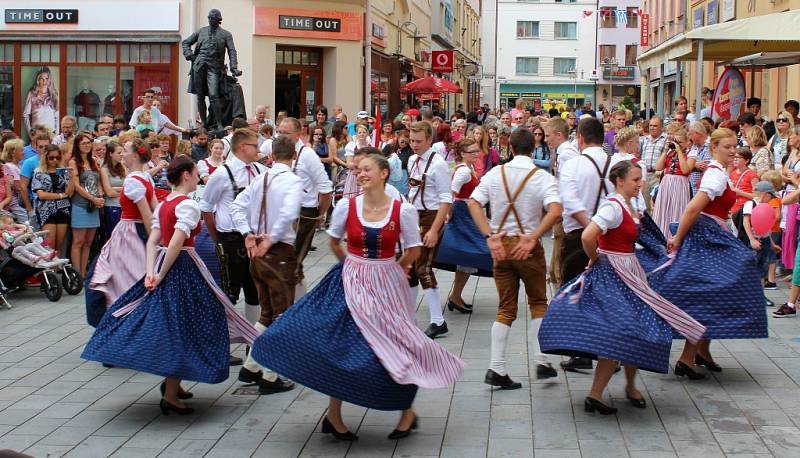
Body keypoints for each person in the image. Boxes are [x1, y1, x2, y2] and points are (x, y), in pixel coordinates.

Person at [249, 153, 464, 440]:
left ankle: (406, 412)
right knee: (339, 346)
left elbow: (413, 250)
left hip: (386, 284)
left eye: (367, 169)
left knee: (397, 347)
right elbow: (334, 242)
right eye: (358, 169)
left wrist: (391, 272)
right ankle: (334, 416)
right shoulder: (348, 206)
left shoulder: (402, 210)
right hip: (348, 283)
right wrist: (351, 266)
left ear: (384, 173)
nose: (360, 174)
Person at [81, 157, 258, 415]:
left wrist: (151, 271)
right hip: (182, 267)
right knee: (184, 328)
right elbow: (176, 243)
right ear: (186, 175)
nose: (199, 176)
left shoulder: (166, 203)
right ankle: (172, 395)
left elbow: (154, 240)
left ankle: (174, 384)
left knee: (177, 326)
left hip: (166, 264)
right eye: (196, 172)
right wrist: (160, 274)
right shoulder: (187, 206)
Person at [540, 161, 706, 413]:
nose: (640, 183)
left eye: (640, 179)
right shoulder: (613, 206)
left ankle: (627, 386)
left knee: (634, 327)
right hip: (616, 273)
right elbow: (588, 235)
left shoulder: (628, 205)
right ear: (620, 181)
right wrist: (596, 257)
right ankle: (599, 393)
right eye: (635, 179)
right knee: (625, 328)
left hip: (628, 270)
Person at [652, 128, 767, 379]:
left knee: (714, 291)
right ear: (714, 147)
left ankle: (701, 352)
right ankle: (688, 356)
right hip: (706, 236)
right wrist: (678, 238)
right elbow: (693, 208)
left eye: (735, 146)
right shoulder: (714, 174)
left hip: (712, 233)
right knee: (711, 291)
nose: (733, 151)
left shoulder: (718, 172)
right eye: (727, 147)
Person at [468, 128, 563, 386]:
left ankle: (496, 367)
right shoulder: (541, 177)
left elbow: (473, 203)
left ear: (509, 146)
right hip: (526, 245)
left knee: (506, 307)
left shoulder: (495, 173)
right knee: (538, 302)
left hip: (500, 245)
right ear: (534, 148)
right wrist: (534, 236)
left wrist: (489, 235)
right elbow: (555, 210)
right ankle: (541, 360)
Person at [230, 136, 301, 394]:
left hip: (257, 252)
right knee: (282, 316)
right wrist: (270, 240)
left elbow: (235, 206)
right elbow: (289, 214)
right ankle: (271, 375)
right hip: (277, 252)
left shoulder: (261, 178)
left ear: (271, 156)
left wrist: (247, 233)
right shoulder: (292, 181)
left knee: (268, 313)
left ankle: (251, 366)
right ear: (293, 156)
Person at [200, 128, 266, 365]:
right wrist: (217, 237)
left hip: (254, 238)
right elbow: (206, 207)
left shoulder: (259, 170)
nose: (259, 149)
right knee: (229, 293)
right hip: (230, 239)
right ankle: (221, 346)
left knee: (255, 292)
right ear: (241, 147)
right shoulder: (222, 174)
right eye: (254, 145)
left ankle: (252, 344)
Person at [557, 117, 618, 371]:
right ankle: (609, 355)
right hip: (608, 237)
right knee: (606, 296)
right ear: (602, 138)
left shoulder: (572, 165)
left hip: (577, 238)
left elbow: (569, 201)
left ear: (580, 138)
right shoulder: (616, 163)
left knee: (575, 293)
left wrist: (589, 225)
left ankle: (580, 352)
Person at [87, 138, 158, 310]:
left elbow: (148, 215)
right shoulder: (146, 177)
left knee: (121, 275)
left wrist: (154, 241)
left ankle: (125, 311)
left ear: (134, 156)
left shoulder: (133, 179)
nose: (122, 154)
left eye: (125, 151)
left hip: (130, 231)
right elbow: (155, 209)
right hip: (132, 229)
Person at [434, 138, 492, 314]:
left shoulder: (467, 168)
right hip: (464, 213)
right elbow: (451, 191)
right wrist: (448, 211)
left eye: (477, 151)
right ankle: (455, 296)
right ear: (462, 153)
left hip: (467, 212)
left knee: (467, 257)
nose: (476, 154)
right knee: (471, 254)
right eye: (472, 151)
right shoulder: (464, 171)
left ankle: (456, 296)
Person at [407, 122, 452, 338]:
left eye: (418, 141)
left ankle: (437, 320)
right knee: (410, 266)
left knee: (423, 267)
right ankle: (408, 317)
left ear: (429, 140)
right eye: (411, 140)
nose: (414, 145)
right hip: (414, 215)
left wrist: (434, 230)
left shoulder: (438, 164)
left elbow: (445, 200)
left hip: (432, 216)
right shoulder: (411, 160)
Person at [279, 118, 333, 287]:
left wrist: (318, 215)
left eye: (284, 133)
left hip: (304, 214)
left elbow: (325, 188)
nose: (279, 136)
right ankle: (297, 307)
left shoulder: (307, 155)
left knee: (292, 264)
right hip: (282, 212)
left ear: (298, 134)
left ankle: (293, 307)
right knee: (286, 264)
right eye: (278, 131)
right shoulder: (278, 152)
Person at [30, 145, 73, 253]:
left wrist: (72, 178)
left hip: (63, 209)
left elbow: (69, 193)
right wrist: (60, 195)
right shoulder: (39, 172)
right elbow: (41, 195)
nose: (55, 160)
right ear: (46, 158)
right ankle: (50, 268)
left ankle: (55, 268)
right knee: (49, 244)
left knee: (59, 244)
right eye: (51, 158)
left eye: (57, 157)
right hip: (46, 210)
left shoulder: (63, 171)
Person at [99, 141, 126, 238]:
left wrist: (116, 189)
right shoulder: (104, 170)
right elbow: (109, 193)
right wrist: (123, 190)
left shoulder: (122, 167)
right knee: (114, 237)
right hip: (112, 206)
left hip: (124, 206)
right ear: (110, 154)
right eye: (119, 153)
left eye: (122, 152)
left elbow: (129, 186)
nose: (122, 155)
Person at [23, 66, 59, 137]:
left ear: (49, 80)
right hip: (36, 133)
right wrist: (30, 134)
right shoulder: (32, 94)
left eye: (46, 79)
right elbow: (25, 115)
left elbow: (57, 116)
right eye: (41, 79)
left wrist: (56, 134)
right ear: (38, 80)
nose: (44, 81)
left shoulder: (54, 94)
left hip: (51, 134)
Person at [730, 148, 759, 215]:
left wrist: (740, 193)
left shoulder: (752, 175)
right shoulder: (733, 173)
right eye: (734, 157)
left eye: (738, 157)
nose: (735, 159)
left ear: (746, 160)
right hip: (732, 209)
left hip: (744, 210)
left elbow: (757, 196)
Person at [686, 121, 711, 197]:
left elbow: (704, 167)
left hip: (702, 188)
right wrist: (695, 165)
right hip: (691, 186)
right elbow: (685, 165)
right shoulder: (694, 147)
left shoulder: (709, 147)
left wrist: (691, 165)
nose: (689, 137)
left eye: (690, 134)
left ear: (696, 134)